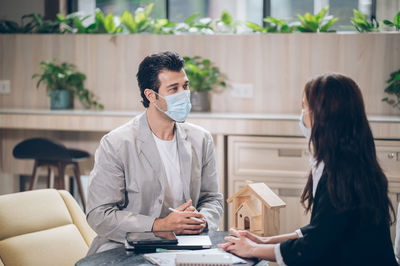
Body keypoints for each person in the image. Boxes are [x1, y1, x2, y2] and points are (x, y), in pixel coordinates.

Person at [219, 73, 397, 266]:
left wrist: (253, 249)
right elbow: (325, 228)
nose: (302, 115)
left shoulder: (343, 175)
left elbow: (313, 247)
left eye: (304, 107)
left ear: (322, 116)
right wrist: (265, 241)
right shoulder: (350, 164)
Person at [86, 51, 223, 255]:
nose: (184, 94)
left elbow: (212, 198)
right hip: (126, 247)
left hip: (185, 245)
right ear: (151, 95)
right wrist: (160, 225)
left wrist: (202, 220)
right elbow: (99, 215)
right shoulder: (116, 143)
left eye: (185, 86)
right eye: (173, 89)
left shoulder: (201, 139)